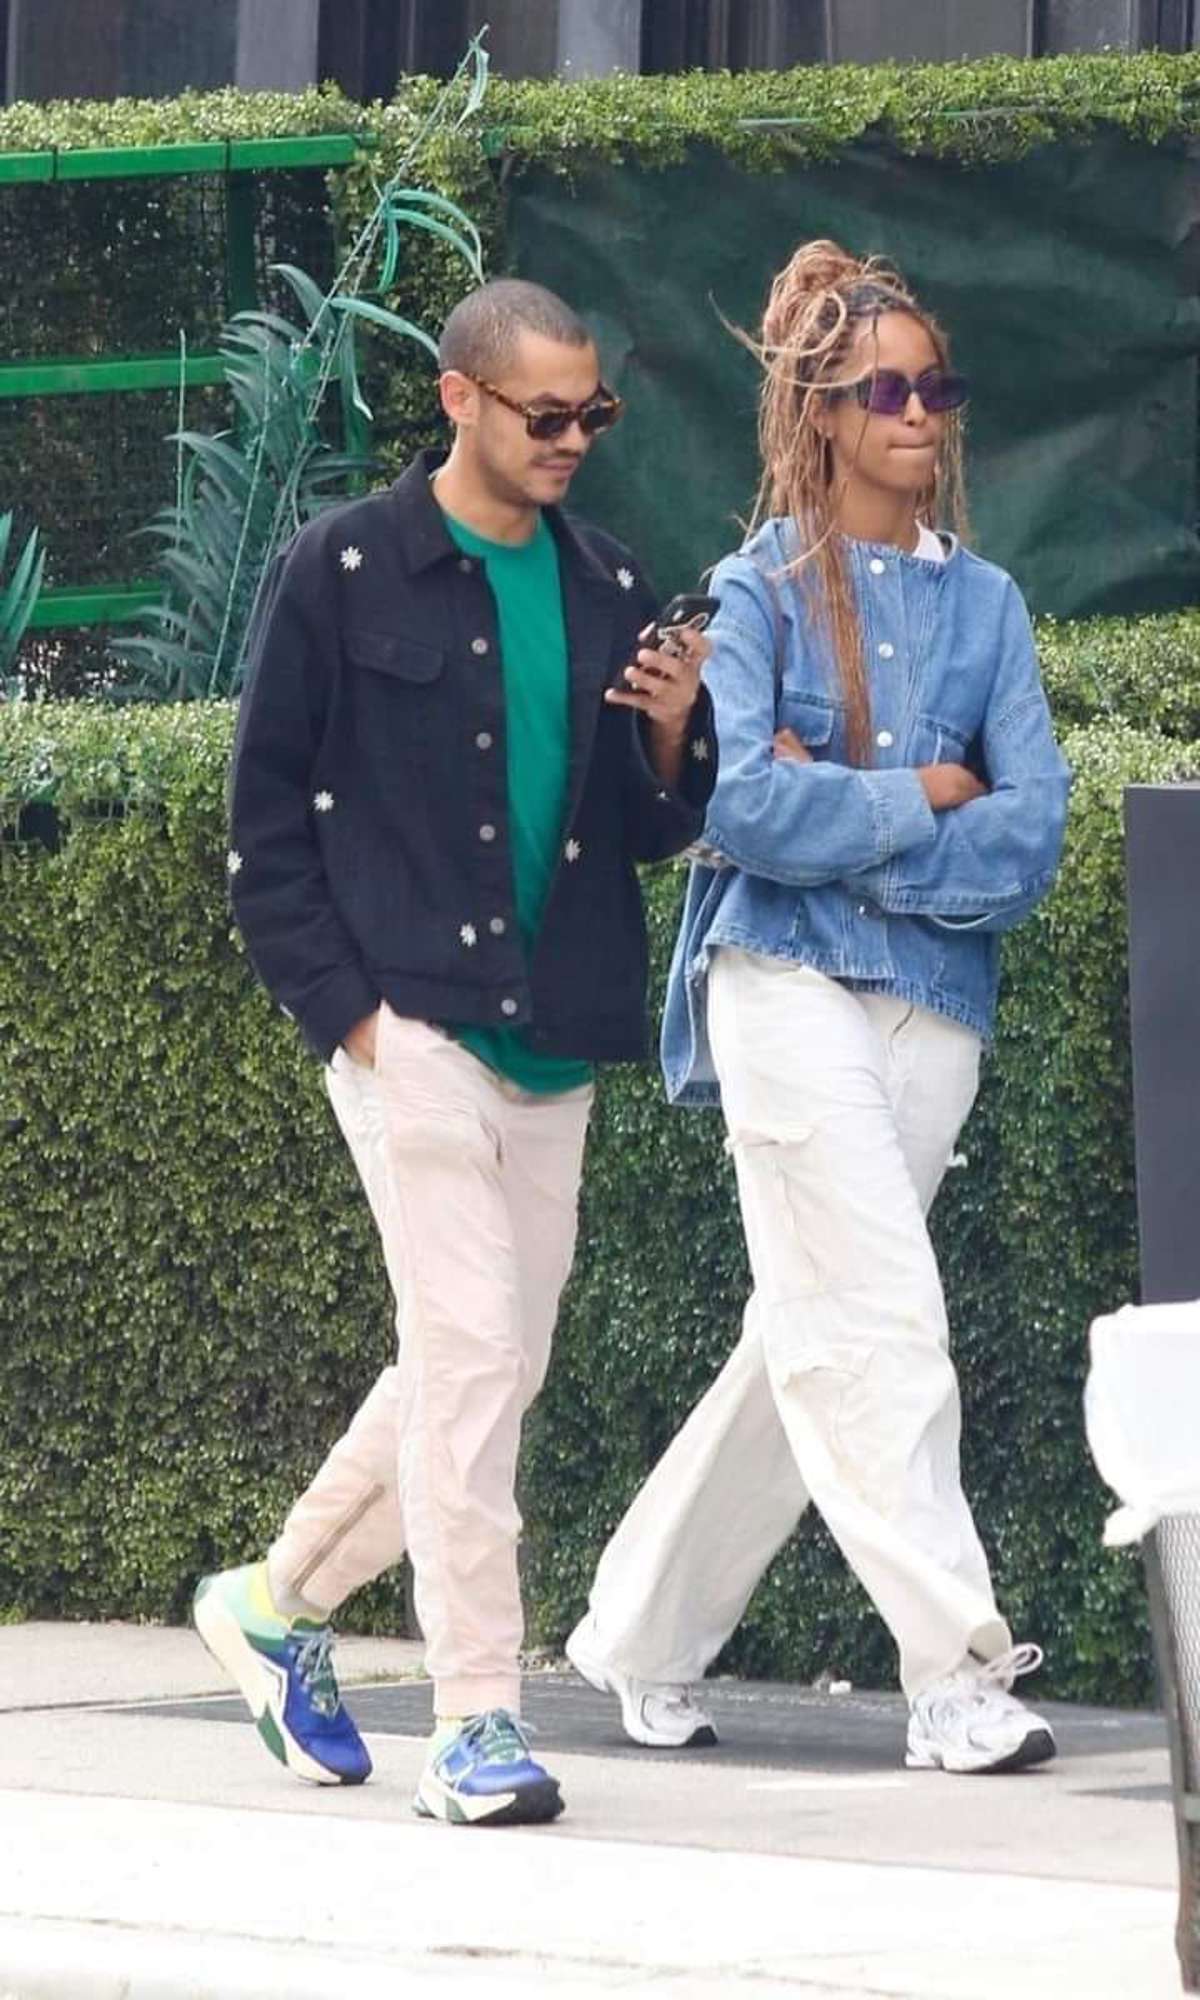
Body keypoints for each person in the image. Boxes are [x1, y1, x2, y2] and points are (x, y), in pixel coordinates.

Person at [194, 277, 715, 1826]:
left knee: (482, 1365)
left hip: (554, 1035)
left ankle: (275, 1601)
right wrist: (351, 1016)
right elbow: (264, 822)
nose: (572, 439)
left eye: (592, 412)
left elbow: (645, 829)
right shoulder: (345, 566)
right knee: (476, 1358)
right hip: (406, 1021)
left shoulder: (610, 579)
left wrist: (672, 729)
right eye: (544, 413)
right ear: (460, 400)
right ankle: (476, 1716)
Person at [567, 239, 1071, 1776]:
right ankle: (956, 1674)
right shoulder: (759, 591)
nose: (918, 414)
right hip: (776, 983)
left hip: (935, 1007)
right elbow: (743, 812)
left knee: (811, 1336)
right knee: (880, 1322)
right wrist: (925, 797)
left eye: (934, 388)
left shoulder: (990, 606)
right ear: (824, 414)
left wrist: (847, 815)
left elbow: (1031, 835)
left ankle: (639, 1636)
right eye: (884, 392)